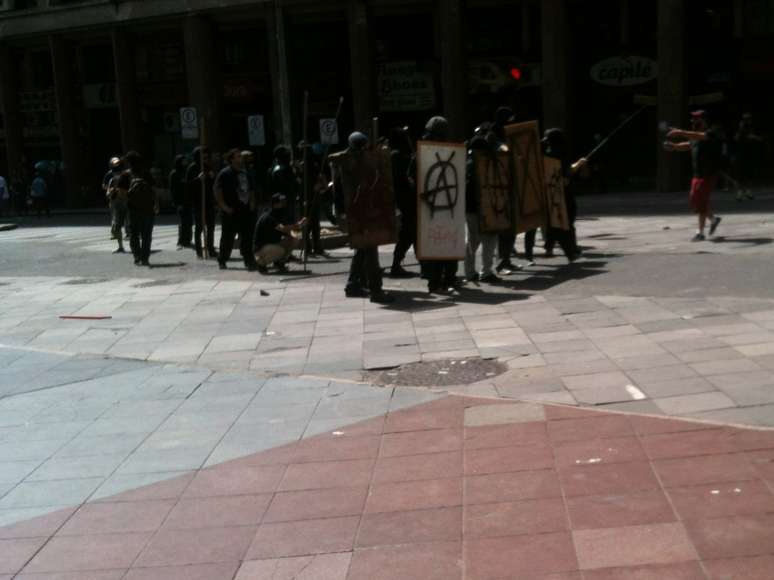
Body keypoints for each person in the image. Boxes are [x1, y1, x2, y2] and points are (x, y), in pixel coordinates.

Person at [333, 132, 394, 304]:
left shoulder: (347, 164)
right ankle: (376, 291)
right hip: (362, 213)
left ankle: (353, 285)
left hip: (358, 213)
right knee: (370, 250)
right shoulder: (350, 165)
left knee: (362, 249)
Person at [416, 116, 460, 294]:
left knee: (447, 243)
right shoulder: (421, 152)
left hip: (447, 208)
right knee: (434, 245)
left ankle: (446, 279)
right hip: (430, 208)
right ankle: (436, 281)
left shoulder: (450, 151)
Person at [665, 110, 723, 241]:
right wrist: (674, 146)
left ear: (704, 120)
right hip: (697, 174)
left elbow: (701, 136)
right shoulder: (695, 136)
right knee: (695, 200)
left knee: (699, 200)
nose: (693, 121)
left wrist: (680, 132)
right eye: (692, 119)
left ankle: (700, 233)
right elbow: (687, 145)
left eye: (696, 119)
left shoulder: (713, 131)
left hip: (708, 175)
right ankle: (713, 220)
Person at [541, 128, 586, 261]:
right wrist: (579, 164)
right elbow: (566, 173)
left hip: (553, 192)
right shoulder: (559, 153)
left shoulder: (547, 153)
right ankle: (570, 251)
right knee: (565, 222)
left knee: (555, 222)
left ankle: (551, 247)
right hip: (562, 192)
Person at [464, 134, 501, 284]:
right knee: (489, 239)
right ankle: (485, 272)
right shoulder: (478, 164)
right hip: (480, 207)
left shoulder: (468, 162)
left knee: (473, 240)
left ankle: (470, 272)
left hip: (471, 207)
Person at [215, 148, 258, 271]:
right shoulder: (225, 173)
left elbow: (251, 189)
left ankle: (248, 260)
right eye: (238, 156)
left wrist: (252, 203)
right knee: (228, 237)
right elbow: (217, 191)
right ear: (232, 159)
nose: (241, 158)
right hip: (231, 211)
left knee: (247, 236)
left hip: (245, 210)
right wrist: (224, 207)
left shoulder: (246, 172)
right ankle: (222, 259)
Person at [491, 107, 520, 274]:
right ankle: (501, 261)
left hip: (512, 185)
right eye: (509, 119)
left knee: (512, 226)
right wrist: (505, 148)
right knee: (503, 227)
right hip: (499, 186)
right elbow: (498, 146)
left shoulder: (510, 133)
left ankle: (507, 259)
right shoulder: (493, 134)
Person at [118, 151, 157, 266]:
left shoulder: (125, 175)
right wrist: (156, 205)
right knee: (147, 235)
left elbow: (121, 193)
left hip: (133, 209)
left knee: (134, 234)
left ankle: (137, 256)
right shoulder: (146, 173)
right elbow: (154, 190)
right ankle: (145, 258)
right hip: (148, 208)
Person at [254, 194, 306, 273]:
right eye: (281, 203)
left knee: (294, 240)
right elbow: (283, 228)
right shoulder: (269, 216)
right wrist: (299, 225)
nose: (283, 204)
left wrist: (294, 236)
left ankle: (279, 263)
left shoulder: (279, 215)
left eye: (284, 202)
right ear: (275, 204)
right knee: (281, 250)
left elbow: (287, 230)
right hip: (261, 249)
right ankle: (261, 264)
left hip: (271, 244)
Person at [389, 127, 416, 278]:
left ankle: (397, 264)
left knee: (410, 232)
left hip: (405, 199)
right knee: (408, 232)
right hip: (404, 200)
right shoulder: (398, 156)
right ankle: (396, 264)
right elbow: (402, 178)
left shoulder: (399, 155)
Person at [186, 146, 217, 258]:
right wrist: (198, 179)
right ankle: (199, 251)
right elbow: (188, 186)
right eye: (202, 156)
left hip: (208, 201)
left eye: (206, 156)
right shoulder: (192, 168)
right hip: (198, 203)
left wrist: (212, 177)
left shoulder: (208, 167)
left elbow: (213, 185)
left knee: (211, 227)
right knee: (199, 228)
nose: (205, 158)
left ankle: (211, 249)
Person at [734, 113, 763, 201]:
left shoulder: (751, 129)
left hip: (749, 154)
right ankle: (740, 193)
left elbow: (758, 138)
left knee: (749, 174)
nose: (747, 121)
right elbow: (736, 138)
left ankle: (747, 192)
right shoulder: (740, 130)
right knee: (740, 174)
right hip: (741, 154)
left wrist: (754, 137)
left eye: (748, 120)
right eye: (745, 120)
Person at [104, 158, 128, 254]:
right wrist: (112, 191)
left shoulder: (126, 177)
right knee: (117, 226)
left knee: (130, 223)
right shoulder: (111, 179)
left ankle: (134, 243)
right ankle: (120, 246)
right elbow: (107, 192)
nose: (117, 174)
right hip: (116, 204)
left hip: (126, 203)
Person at [169, 154, 192, 249]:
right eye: (183, 160)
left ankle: (188, 239)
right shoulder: (174, 173)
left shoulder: (186, 172)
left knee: (189, 221)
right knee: (183, 221)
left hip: (188, 201)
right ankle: (182, 240)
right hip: (180, 201)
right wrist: (177, 203)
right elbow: (173, 189)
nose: (185, 162)